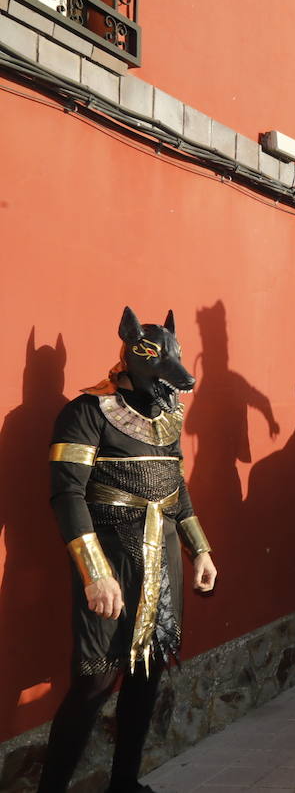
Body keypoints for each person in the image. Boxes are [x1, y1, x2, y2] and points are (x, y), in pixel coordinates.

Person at [39, 308, 217, 793]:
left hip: (163, 565)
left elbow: (175, 486)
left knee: (148, 672)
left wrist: (199, 549)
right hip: (110, 561)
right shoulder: (85, 412)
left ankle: (125, 783)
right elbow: (67, 493)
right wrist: (95, 574)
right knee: (96, 682)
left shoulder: (168, 415)